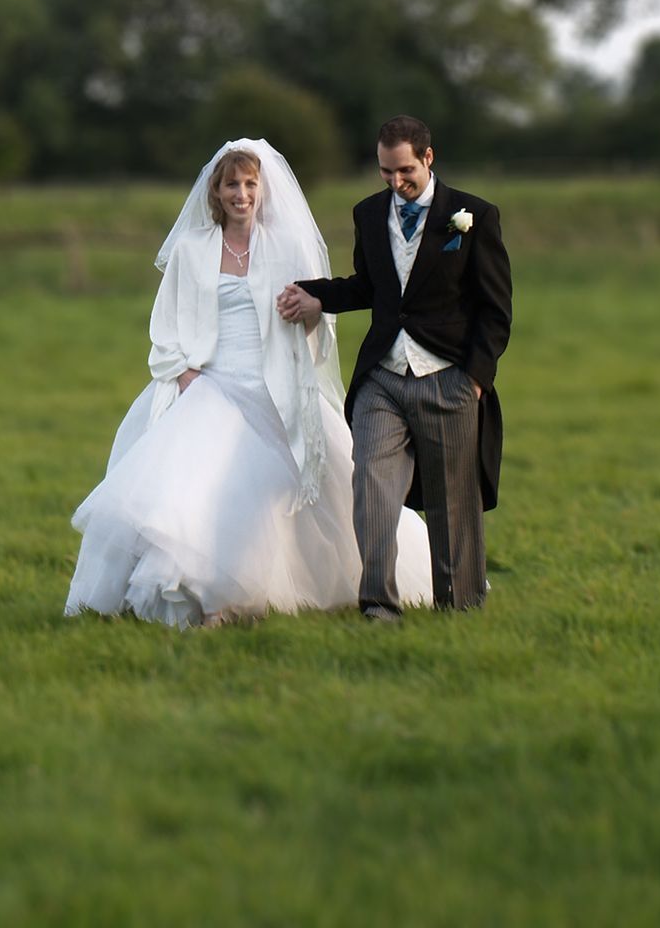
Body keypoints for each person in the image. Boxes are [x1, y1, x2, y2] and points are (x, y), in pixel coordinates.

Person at [65, 139, 433, 628]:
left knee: (322, 483)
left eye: (250, 185)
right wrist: (185, 373)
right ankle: (212, 598)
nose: (241, 194)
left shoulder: (286, 246)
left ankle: (326, 588)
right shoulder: (192, 250)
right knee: (197, 485)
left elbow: (317, 317)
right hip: (210, 383)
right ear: (215, 193)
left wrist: (305, 314)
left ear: (262, 191)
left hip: (274, 380)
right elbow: (166, 323)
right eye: (231, 185)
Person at [276, 116, 513, 618]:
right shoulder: (368, 214)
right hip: (382, 378)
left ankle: (461, 609)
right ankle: (378, 608)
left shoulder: (474, 215)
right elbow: (370, 286)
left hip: (448, 378)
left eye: (404, 170)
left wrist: (473, 378)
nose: (395, 182)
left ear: (428, 158)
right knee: (373, 493)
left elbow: (495, 310)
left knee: (453, 505)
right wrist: (315, 295)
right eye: (385, 172)